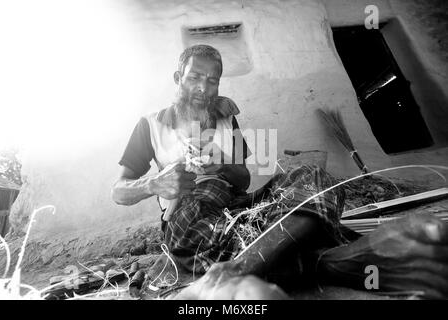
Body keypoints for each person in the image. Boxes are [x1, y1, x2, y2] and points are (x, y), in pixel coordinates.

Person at [112, 44, 448, 299]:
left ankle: (239, 268)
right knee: (198, 219)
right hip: (190, 212)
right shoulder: (151, 125)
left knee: (309, 177)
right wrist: (155, 184)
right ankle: (325, 262)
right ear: (178, 79)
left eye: (212, 81)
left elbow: (243, 178)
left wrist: (222, 167)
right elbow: (119, 190)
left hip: (240, 206)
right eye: (195, 78)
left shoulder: (227, 117)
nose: (203, 88)